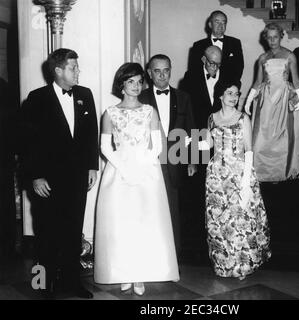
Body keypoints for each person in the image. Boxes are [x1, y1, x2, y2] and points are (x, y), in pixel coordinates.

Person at [94, 63, 179, 296]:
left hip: (146, 170)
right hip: (118, 171)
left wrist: (140, 167)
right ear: (121, 84)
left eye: (139, 81)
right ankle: (123, 272)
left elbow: (158, 145)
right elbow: (104, 146)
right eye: (130, 81)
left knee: (144, 222)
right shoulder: (109, 113)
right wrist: (124, 169)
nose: (135, 86)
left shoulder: (149, 111)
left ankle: (140, 273)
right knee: (121, 223)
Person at [22, 48, 99, 299]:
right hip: (48, 180)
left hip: (77, 178)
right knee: (45, 233)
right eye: (73, 67)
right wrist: (35, 176)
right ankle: (41, 284)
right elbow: (27, 143)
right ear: (58, 71)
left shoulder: (85, 95)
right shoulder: (36, 98)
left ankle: (72, 283)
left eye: (77, 67)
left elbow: (90, 135)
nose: (78, 71)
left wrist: (92, 167)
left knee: (72, 231)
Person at [202, 80, 271, 279]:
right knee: (218, 221)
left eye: (237, 94)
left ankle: (243, 266)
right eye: (229, 93)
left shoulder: (243, 118)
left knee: (240, 220)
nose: (234, 97)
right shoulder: (211, 118)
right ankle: (224, 265)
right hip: (216, 176)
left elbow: (249, 150)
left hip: (239, 172)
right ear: (220, 96)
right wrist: (185, 142)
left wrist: (246, 182)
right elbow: (207, 146)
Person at [139, 54, 197, 258]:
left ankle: (173, 255)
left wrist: (194, 160)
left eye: (166, 70)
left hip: (175, 160)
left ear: (171, 70)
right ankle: (150, 253)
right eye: (157, 71)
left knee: (173, 209)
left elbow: (191, 128)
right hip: (149, 162)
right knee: (149, 207)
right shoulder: (140, 98)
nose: (162, 75)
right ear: (149, 73)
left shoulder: (184, 97)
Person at [244, 23, 299, 182]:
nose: (272, 40)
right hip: (266, 101)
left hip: (284, 99)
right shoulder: (262, 58)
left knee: (283, 139)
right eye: (269, 37)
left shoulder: (290, 55)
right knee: (260, 140)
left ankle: (282, 174)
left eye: (275, 37)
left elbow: (296, 79)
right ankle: (261, 173)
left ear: (281, 37)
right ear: (265, 39)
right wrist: (248, 101)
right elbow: (257, 82)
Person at [182, 45, 224, 263]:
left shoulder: (228, 79)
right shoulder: (188, 81)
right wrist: (188, 156)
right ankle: (198, 242)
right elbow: (185, 119)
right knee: (197, 188)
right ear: (202, 60)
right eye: (210, 63)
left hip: (220, 139)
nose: (214, 67)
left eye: (218, 63)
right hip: (198, 137)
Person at [189, 10, 244, 82]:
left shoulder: (235, 43)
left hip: (228, 88)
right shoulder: (198, 45)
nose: (220, 26)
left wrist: (232, 86)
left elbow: (239, 67)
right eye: (217, 22)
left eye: (223, 22)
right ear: (210, 25)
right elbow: (194, 69)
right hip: (206, 86)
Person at [0, 77, 16, 258]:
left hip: (2, 157)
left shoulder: (3, 87)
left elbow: (11, 123)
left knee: (4, 201)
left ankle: (7, 246)